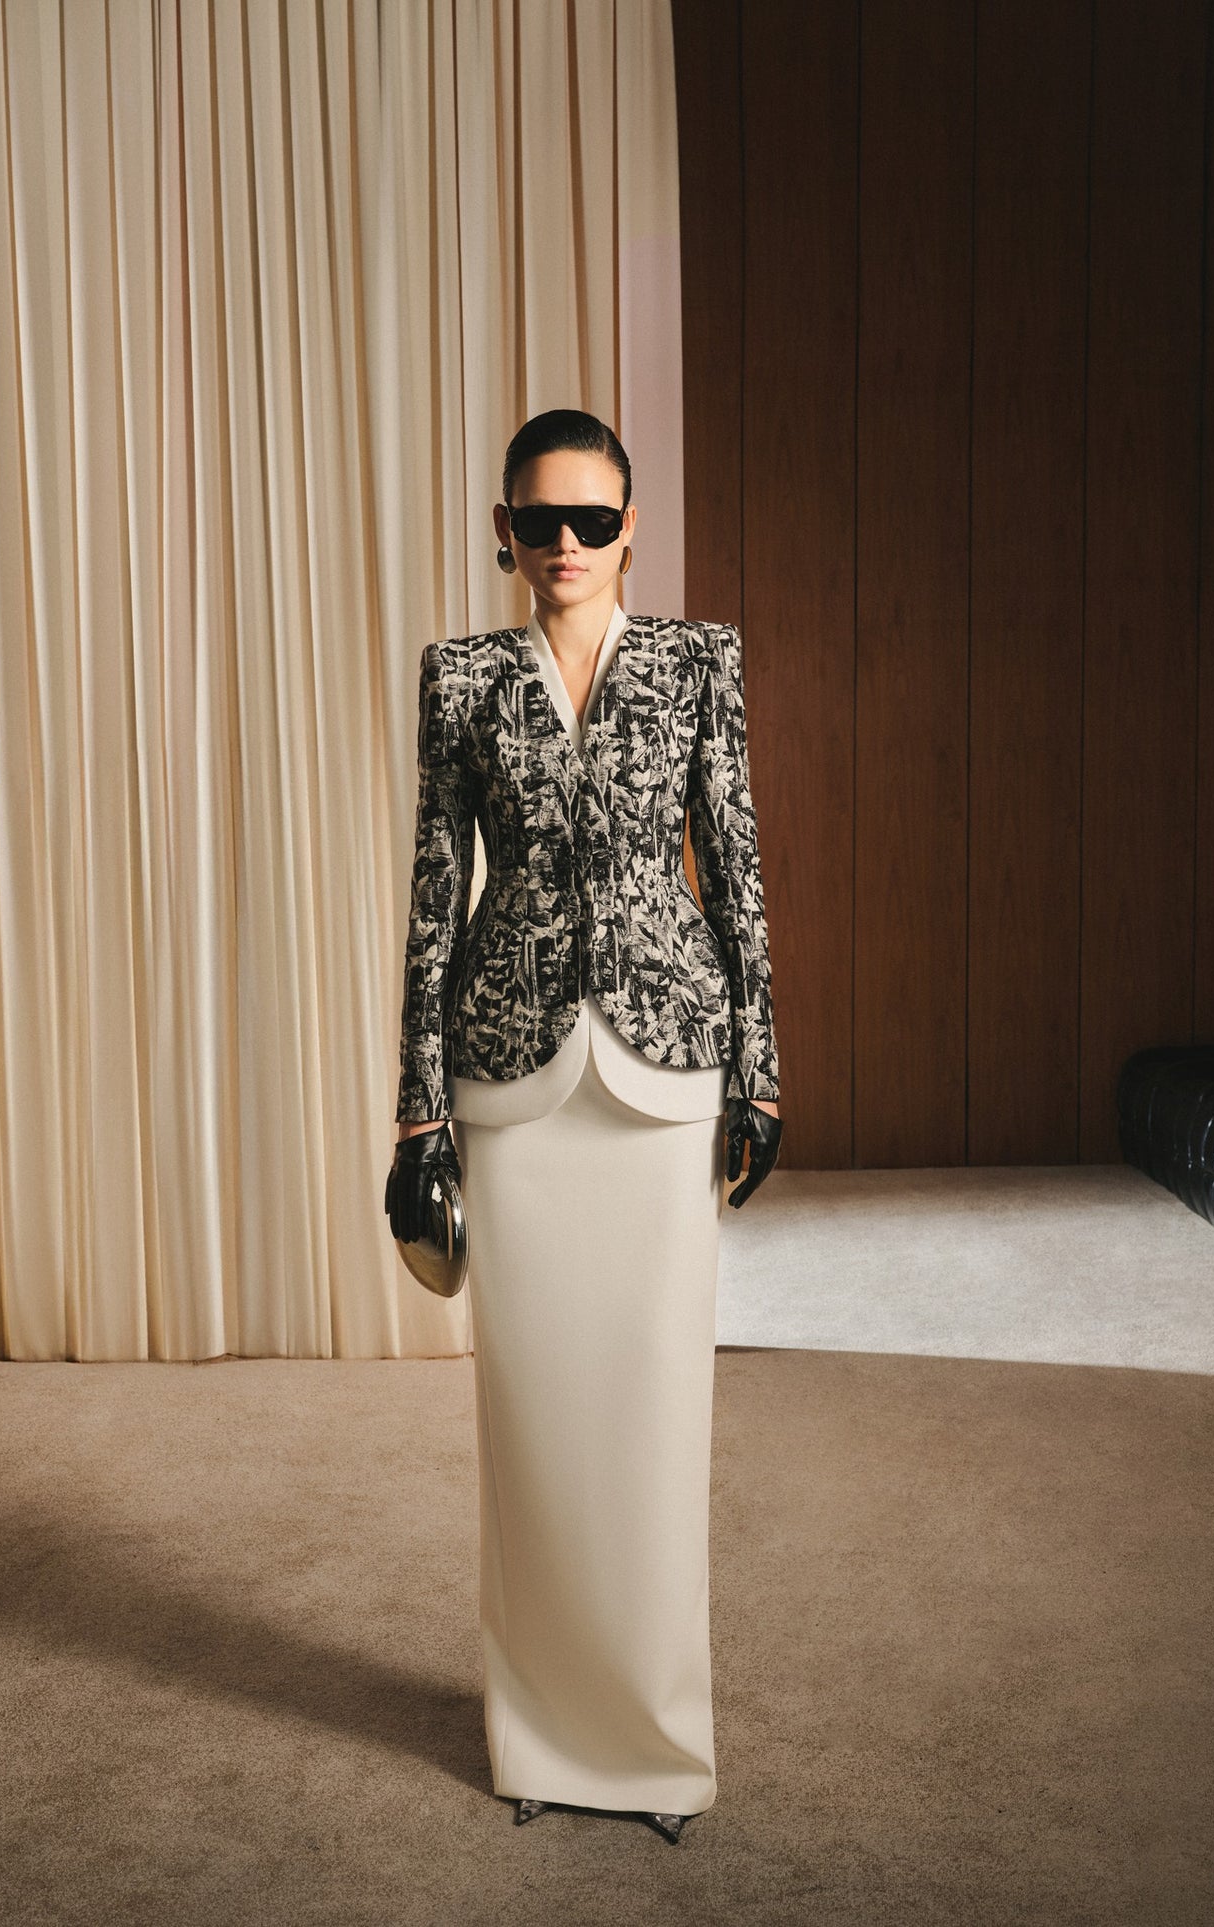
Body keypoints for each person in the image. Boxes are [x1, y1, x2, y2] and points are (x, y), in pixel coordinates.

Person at [384, 408, 782, 1844]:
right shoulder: (459, 678)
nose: (564, 546)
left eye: (590, 521)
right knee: (533, 1420)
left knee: (658, 1411)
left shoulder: (698, 663)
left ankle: (657, 1746)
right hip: (509, 1075)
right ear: (500, 529)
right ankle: (542, 1736)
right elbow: (435, 895)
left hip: (670, 1066)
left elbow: (733, 867)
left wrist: (762, 1072)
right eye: (536, 521)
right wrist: (416, 1112)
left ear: (632, 526)